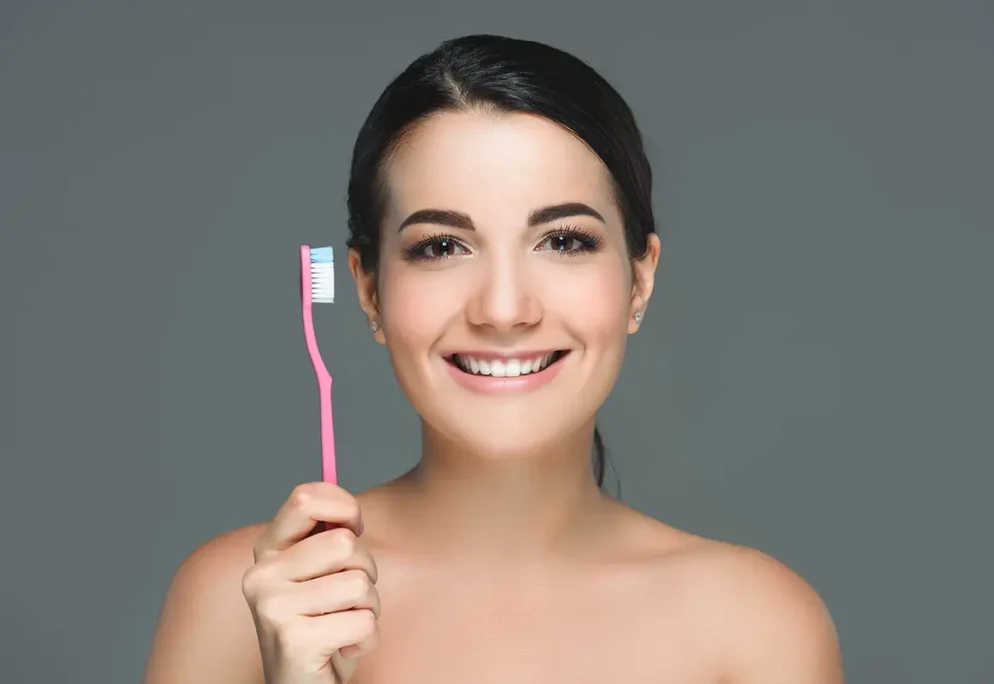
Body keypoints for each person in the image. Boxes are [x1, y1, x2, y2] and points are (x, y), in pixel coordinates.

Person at [142, 34, 843, 684]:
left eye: (564, 241)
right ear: (367, 290)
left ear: (640, 279)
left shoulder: (759, 628)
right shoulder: (241, 599)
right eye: (441, 247)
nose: (504, 309)